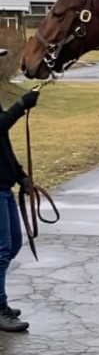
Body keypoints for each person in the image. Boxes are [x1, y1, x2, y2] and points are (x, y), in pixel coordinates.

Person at [0, 70, 40, 333]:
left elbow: (2, 142)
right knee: (2, 249)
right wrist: (21, 106)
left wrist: (21, 175)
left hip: (4, 184)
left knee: (13, 244)